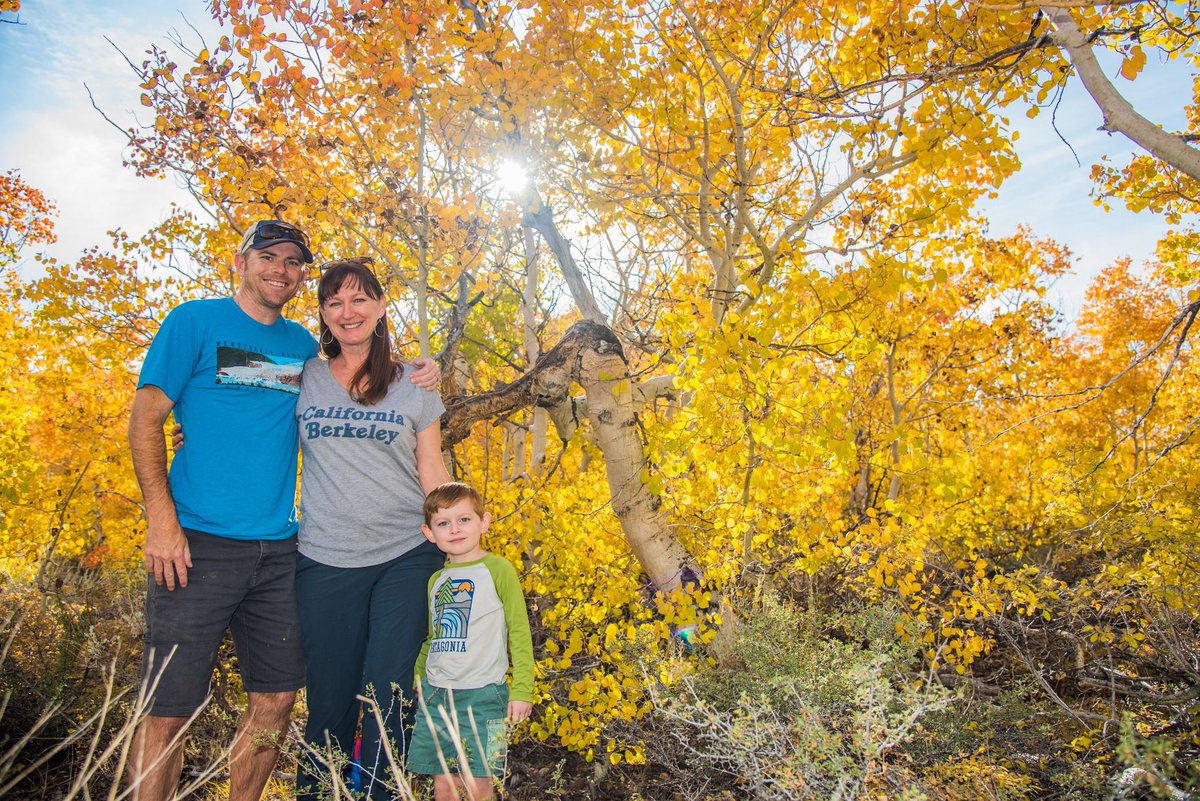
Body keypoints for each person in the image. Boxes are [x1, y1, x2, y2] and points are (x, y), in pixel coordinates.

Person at [126, 221, 438, 801]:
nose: (280, 269)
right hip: (196, 542)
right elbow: (146, 419)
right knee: (169, 708)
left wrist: (427, 368)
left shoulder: (301, 350)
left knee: (275, 701)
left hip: (279, 552)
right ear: (241, 260)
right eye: (268, 256)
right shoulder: (193, 322)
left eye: (294, 262)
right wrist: (161, 521)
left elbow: (356, 383)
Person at [294, 258, 451, 799]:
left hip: (406, 555)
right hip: (323, 560)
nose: (347, 311)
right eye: (334, 302)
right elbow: (250, 422)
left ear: (382, 307)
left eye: (359, 299)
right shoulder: (304, 376)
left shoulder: (414, 383)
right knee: (330, 702)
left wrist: (458, 536)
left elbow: (432, 469)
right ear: (323, 314)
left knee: (389, 697)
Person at [408, 482, 535, 801]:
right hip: (438, 694)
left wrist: (521, 689)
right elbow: (434, 636)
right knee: (444, 782)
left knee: (479, 781)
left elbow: (519, 631)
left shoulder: (498, 570)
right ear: (429, 533)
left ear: (484, 521)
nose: (454, 529)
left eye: (464, 519)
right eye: (443, 523)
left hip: (484, 694)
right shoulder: (436, 580)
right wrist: (418, 674)